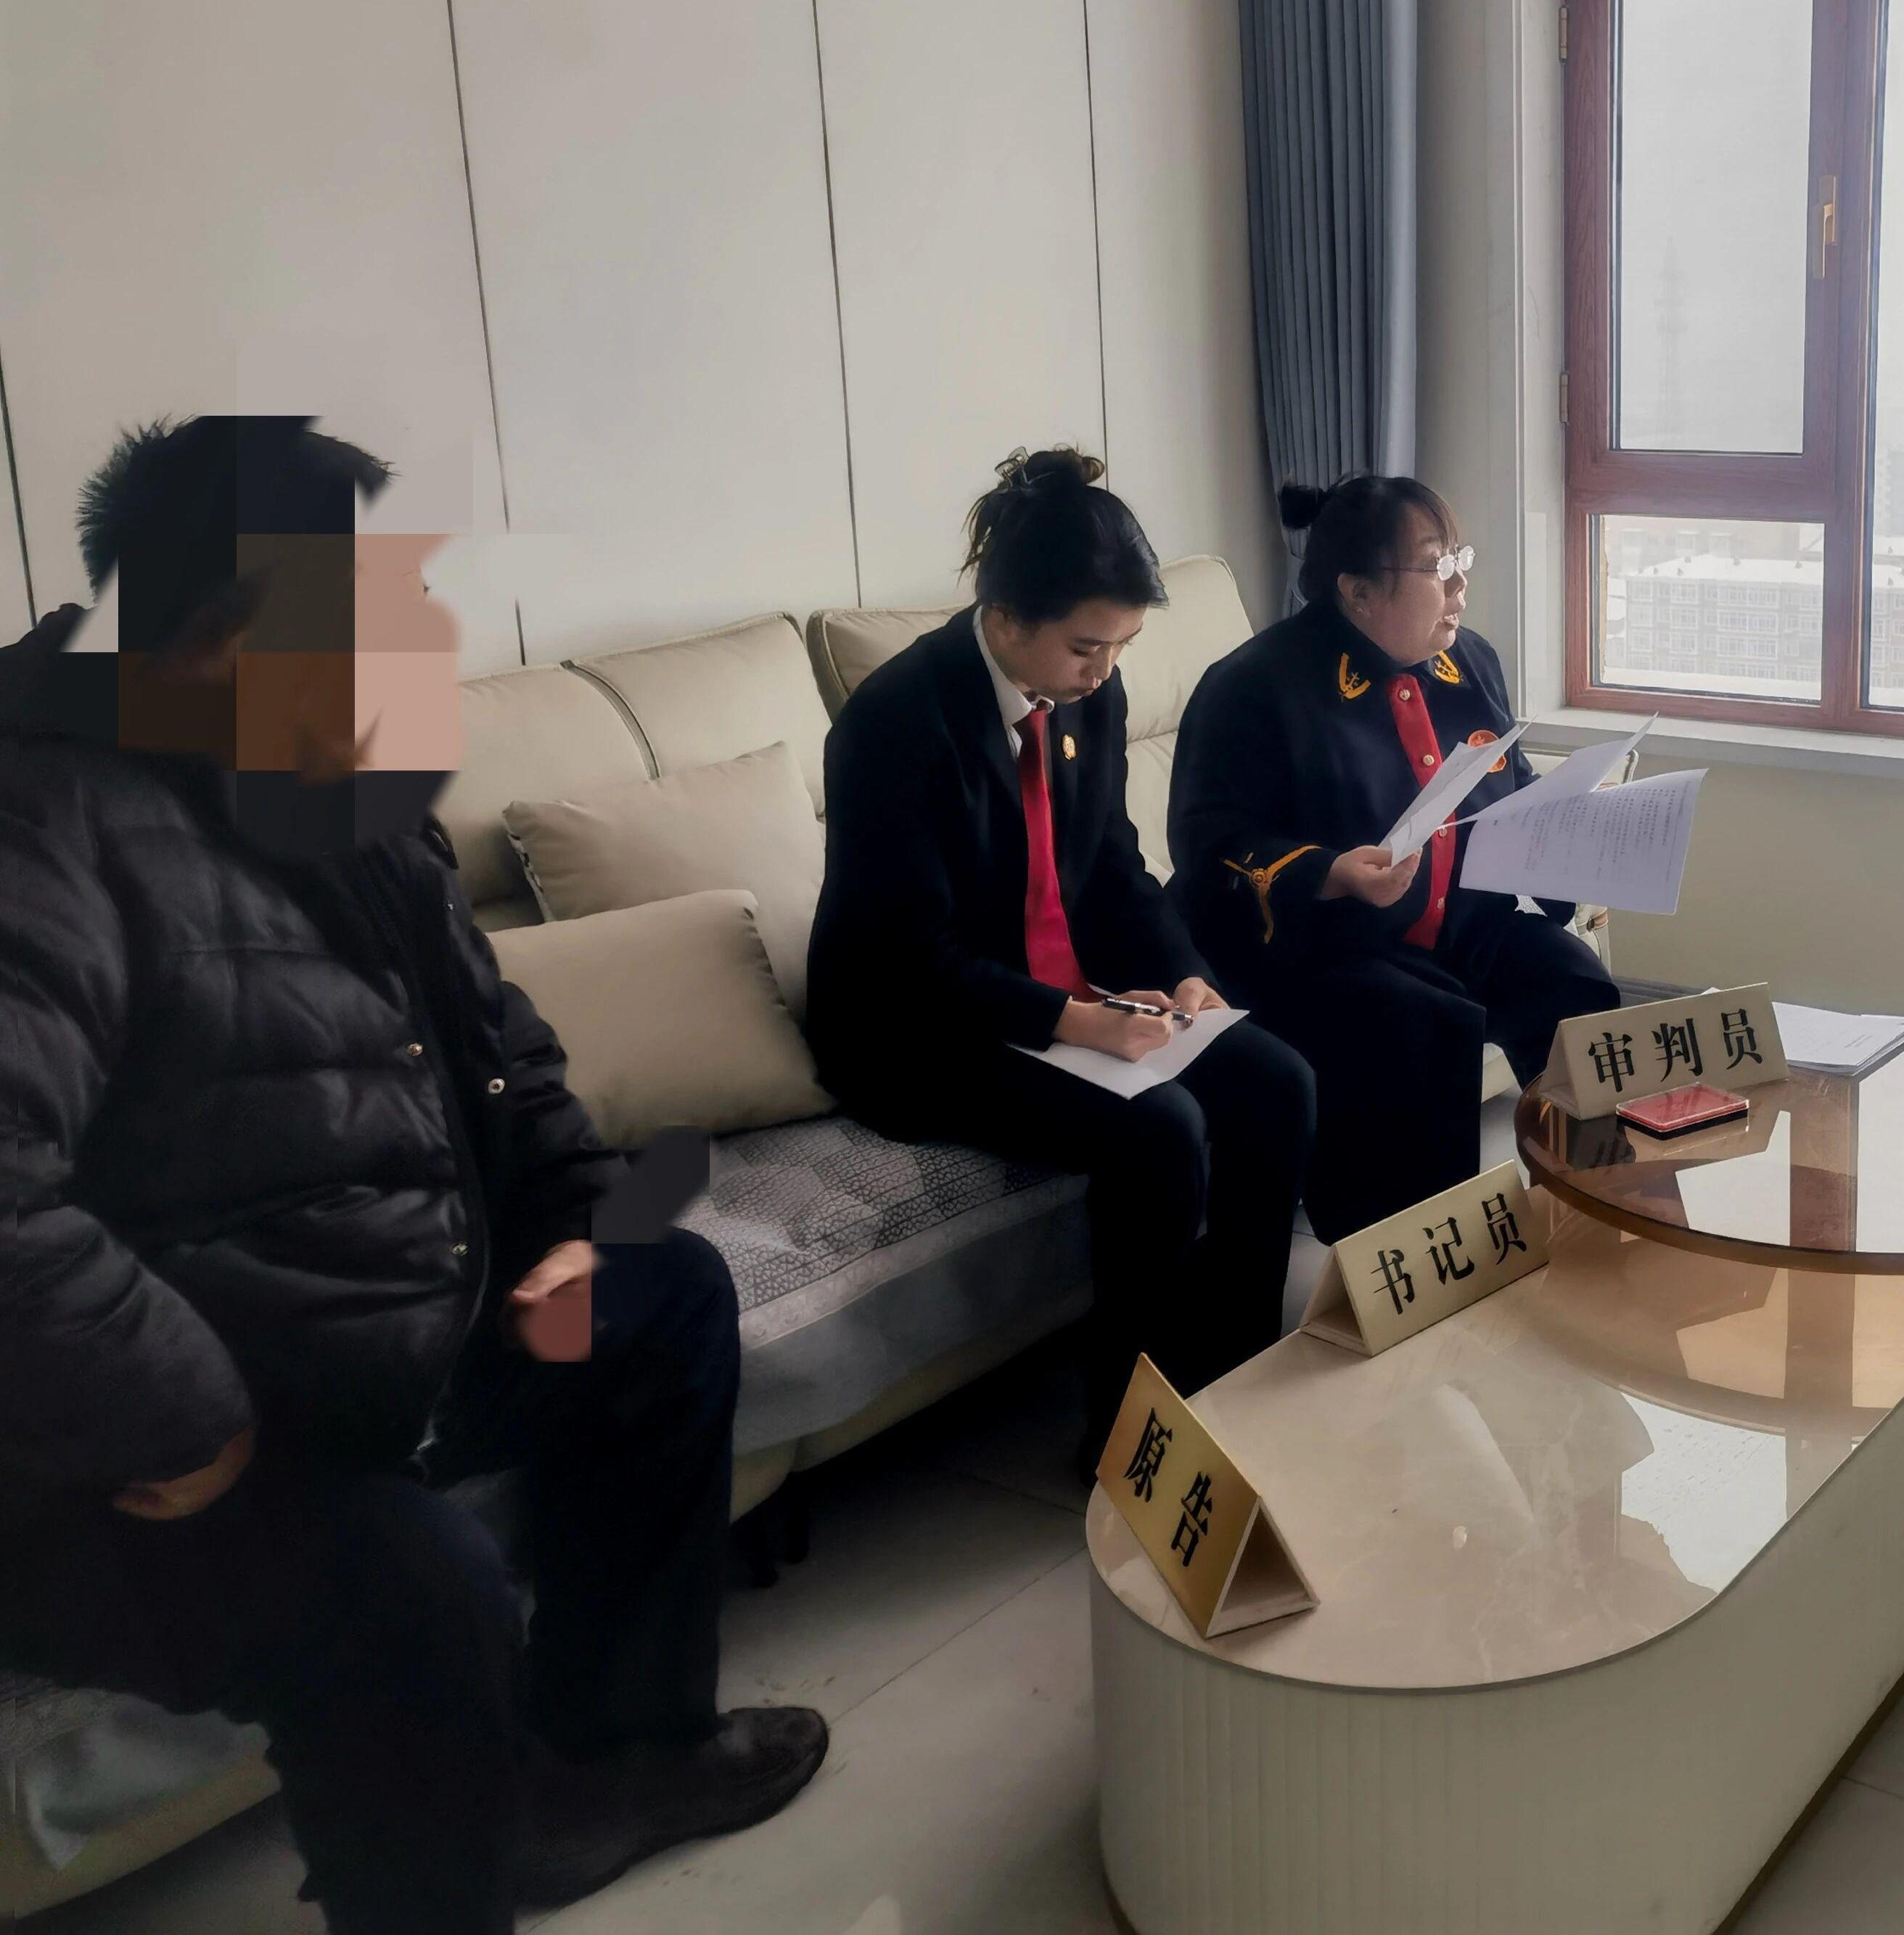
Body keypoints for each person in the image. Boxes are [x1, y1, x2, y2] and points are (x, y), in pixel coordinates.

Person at [0, 416, 826, 1934]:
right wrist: (184, 1415)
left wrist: (563, 1220)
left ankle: (619, 1755)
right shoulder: (44, 826)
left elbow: (496, 1044)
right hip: (147, 1444)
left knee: (658, 1299)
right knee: (416, 1590)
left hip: (374, 1333)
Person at [805, 448, 1315, 1445]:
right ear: (1004, 620)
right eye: (1087, 647)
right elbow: (910, 953)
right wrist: (1077, 1021)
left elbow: (1112, 865)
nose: (1106, 670)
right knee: (1159, 1129)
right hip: (920, 1026)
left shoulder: (1088, 694)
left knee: (1276, 1081)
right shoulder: (894, 724)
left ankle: (1236, 1370)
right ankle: (1127, 1437)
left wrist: (1186, 976)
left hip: (1054, 985)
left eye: (1122, 646)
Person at [1168, 474, 1622, 1239]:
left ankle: (1588, 1216)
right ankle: (1417, 1261)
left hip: (1461, 925)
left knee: (1573, 982)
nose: (1461, 586)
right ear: (1357, 592)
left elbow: (1509, 783)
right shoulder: (1253, 687)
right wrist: (1327, 872)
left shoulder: (1468, 660)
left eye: (1460, 559)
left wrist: (1573, 821)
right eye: (1438, 567)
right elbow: (1208, 843)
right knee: (1421, 1024)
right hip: (1330, 947)